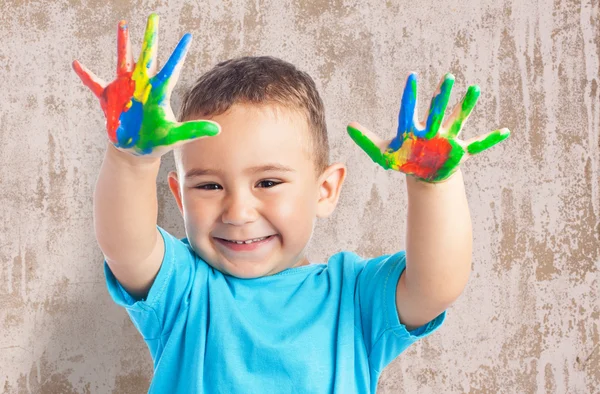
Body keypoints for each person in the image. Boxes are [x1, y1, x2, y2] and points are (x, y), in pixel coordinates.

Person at [73, 14, 510, 394]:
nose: (239, 213)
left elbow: (436, 287)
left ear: (325, 191)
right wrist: (129, 160)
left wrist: (434, 185)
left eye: (267, 181)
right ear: (178, 196)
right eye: (208, 187)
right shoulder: (185, 289)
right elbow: (124, 245)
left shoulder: (353, 298)